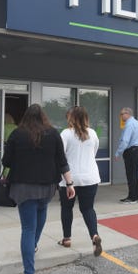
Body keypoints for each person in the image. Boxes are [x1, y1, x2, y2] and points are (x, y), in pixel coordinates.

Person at [2, 104, 76, 274]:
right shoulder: (53, 133)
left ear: (26, 117)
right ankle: (33, 244)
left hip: (23, 188)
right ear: (43, 116)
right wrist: (69, 184)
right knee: (41, 212)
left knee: (27, 228)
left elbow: (6, 161)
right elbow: (62, 161)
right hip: (47, 187)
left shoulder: (17, 134)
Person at [58, 106, 103, 256]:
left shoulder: (66, 134)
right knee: (88, 208)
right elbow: (94, 152)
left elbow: (60, 155)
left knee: (66, 208)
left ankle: (67, 238)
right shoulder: (93, 133)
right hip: (90, 177)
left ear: (70, 118)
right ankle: (94, 235)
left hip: (69, 178)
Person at [115, 107, 138, 204]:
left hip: (132, 150)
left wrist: (118, 153)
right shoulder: (137, 123)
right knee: (134, 173)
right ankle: (136, 193)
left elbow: (125, 141)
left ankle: (132, 198)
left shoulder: (129, 124)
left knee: (130, 174)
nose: (121, 116)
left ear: (127, 114)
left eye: (122, 114)